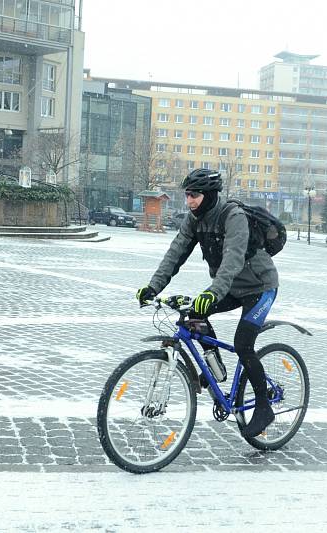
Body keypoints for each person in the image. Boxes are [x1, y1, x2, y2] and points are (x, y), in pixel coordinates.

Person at [135, 168, 279, 438]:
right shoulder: (193, 220)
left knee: (243, 344)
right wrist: (154, 286)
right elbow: (175, 253)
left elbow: (232, 261)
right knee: (192, 316)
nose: (189, 201)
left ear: (210, 195)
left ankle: (263, 407)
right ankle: (217, 369)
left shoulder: (233, 217)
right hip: (230, 288)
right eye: (187, 195)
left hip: (260, 287)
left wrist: (213, 292)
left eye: (195, 196)